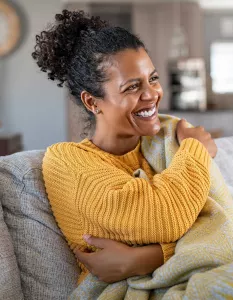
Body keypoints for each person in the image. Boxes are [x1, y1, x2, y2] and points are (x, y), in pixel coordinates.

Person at [33, 10, 217, 284]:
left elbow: (219, 218)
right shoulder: (65, 161)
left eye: (153, 79)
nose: (152, 94)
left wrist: (144, 258)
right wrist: (195, 148)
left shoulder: (166, 138)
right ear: (92, 102)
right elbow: (166, 216)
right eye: (132, 87)